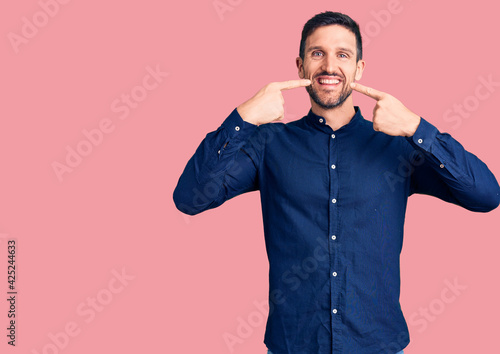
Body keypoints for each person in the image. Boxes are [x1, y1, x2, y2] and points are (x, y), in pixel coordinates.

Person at [173, 11, 500, 354]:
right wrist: (242, 118)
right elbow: (190, 198)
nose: (330, 66)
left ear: (359, 68)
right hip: (293, 345)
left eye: (343, 54)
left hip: (378, 344)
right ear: (300, 66)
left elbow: (486, 195)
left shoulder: (399, 145)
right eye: (318, 53)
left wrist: (418, 128)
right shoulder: (268, 144)